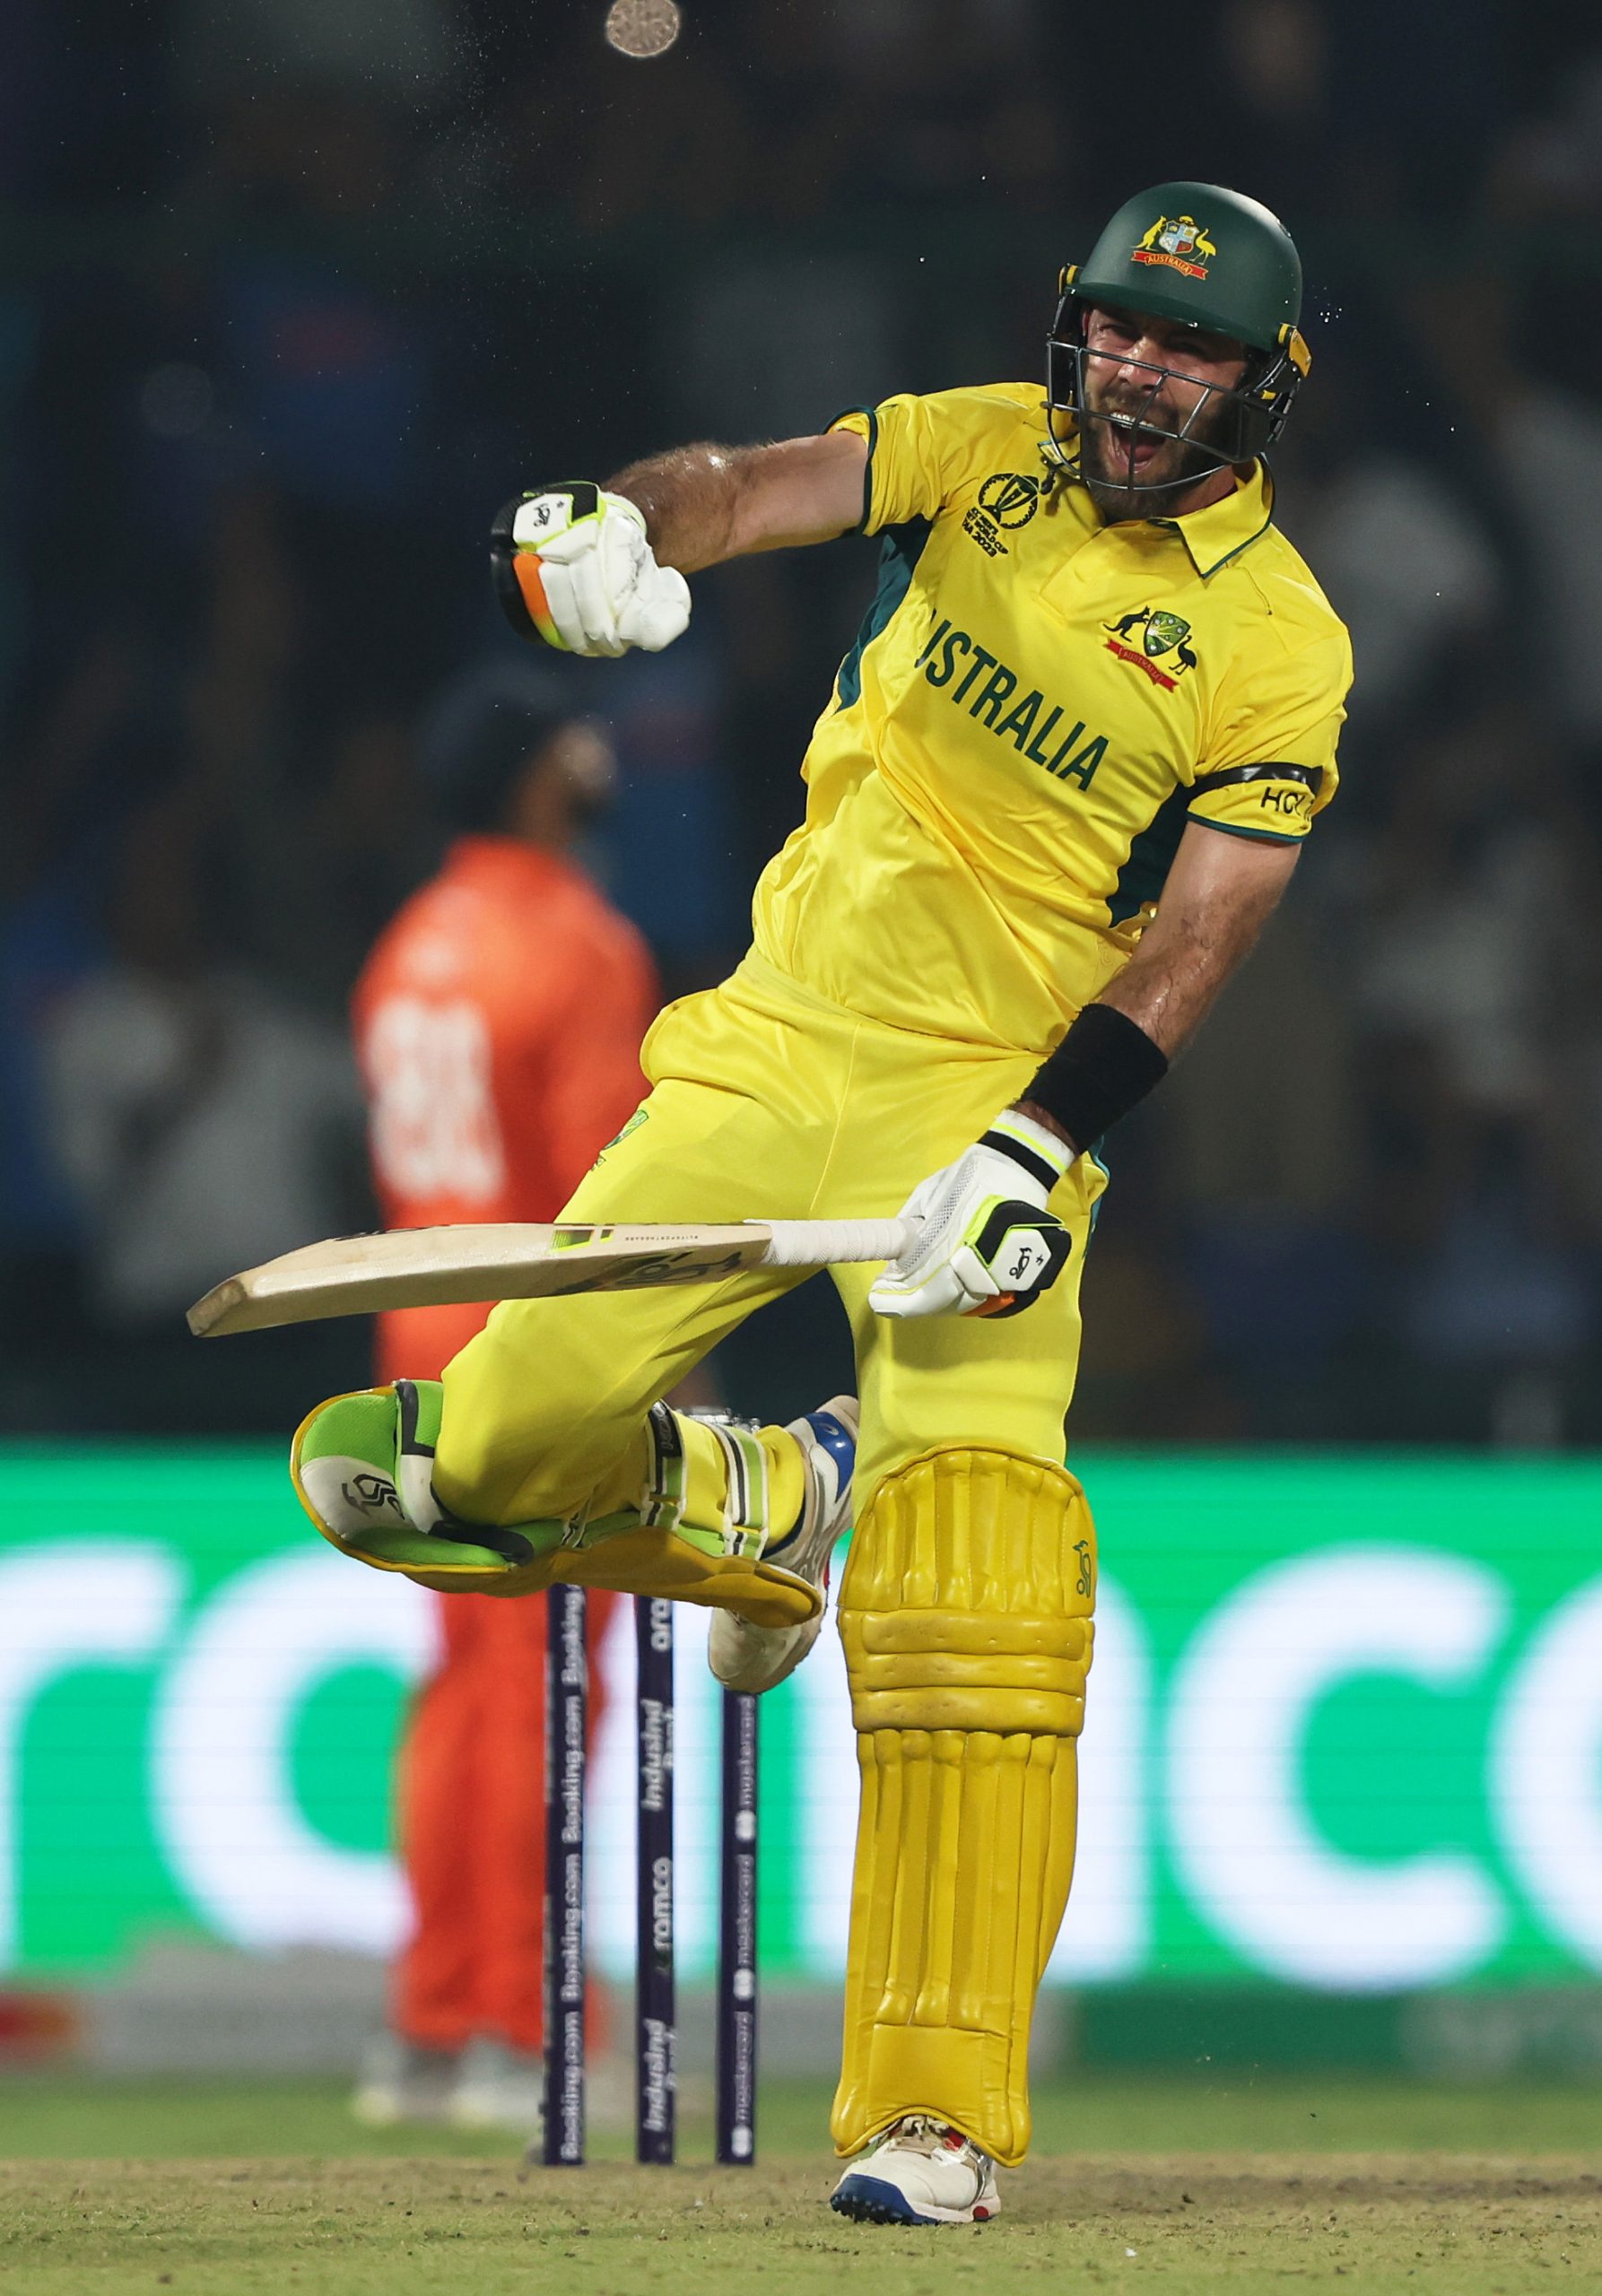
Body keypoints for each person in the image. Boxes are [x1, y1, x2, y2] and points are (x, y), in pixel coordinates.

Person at [292, 182, 1352, 2221]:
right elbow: (741, 485)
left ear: (1262, 387)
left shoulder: (1278, 640)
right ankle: (756, 1503)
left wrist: (1039, 1141)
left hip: (988, 1120)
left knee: (973, 1574)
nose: (1140, 375)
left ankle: (930, 2116)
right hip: (767, 1053)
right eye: (1121, 330)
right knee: (443, 1473)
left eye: (1191, 351)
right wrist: (609, 525)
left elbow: (1201, 935)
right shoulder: (976, 449)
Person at [347, 673, 657, 2128]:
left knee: (468, 1693)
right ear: (533, 777)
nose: (598, 755)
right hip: (533, 1346)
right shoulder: (579, 941)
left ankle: (431, 2020)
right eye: (570, 740)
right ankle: (523, 2025)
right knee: (542, 1692)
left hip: (414, 1335)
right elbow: (608, 1194)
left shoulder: (411, 941)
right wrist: (671, 1370)